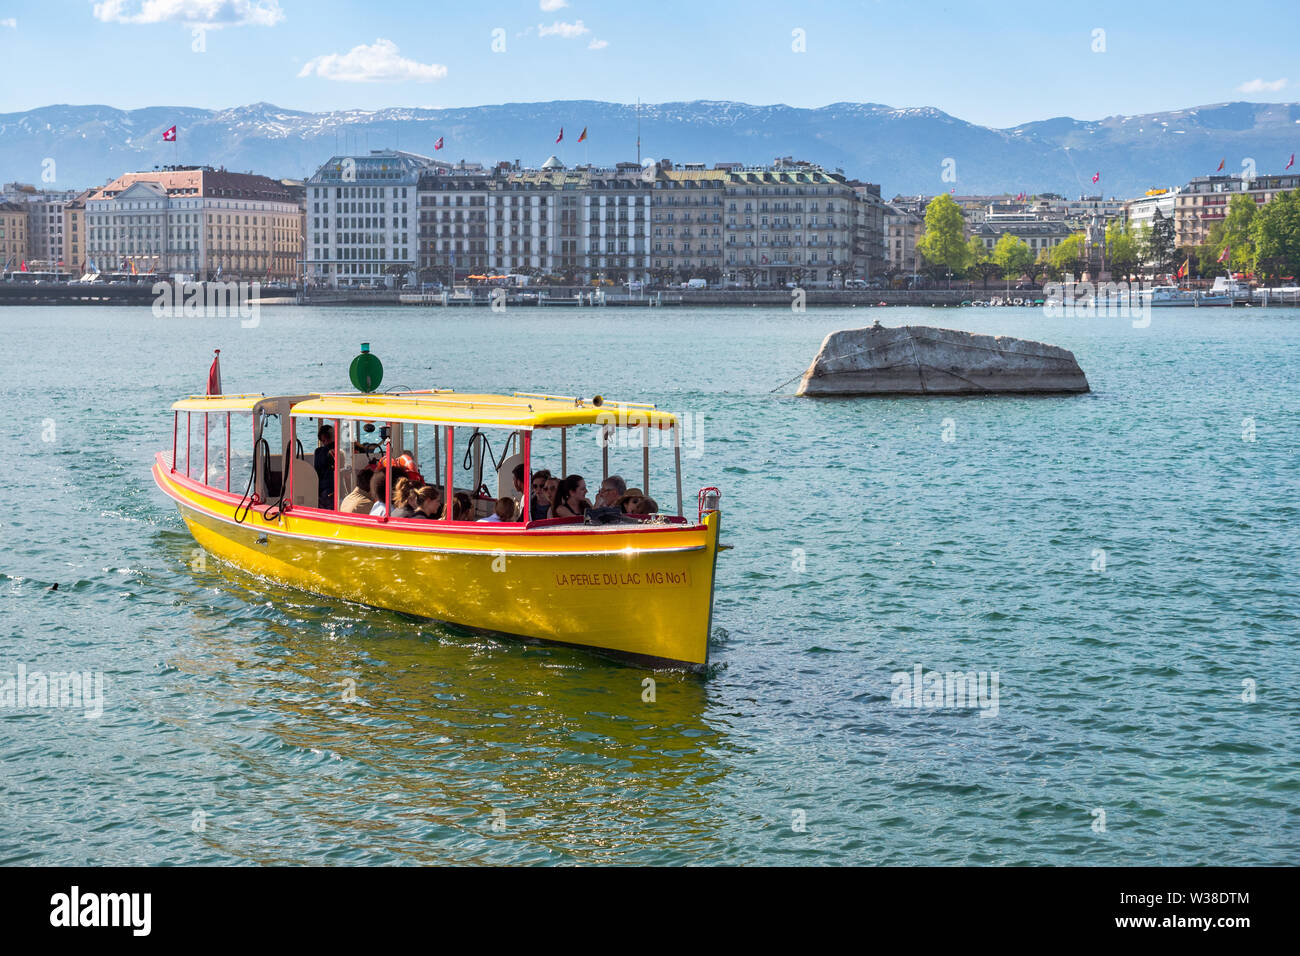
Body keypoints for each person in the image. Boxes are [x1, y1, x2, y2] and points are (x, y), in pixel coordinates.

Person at [313, 424, 336, 510]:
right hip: (333, 489)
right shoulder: (335, 450)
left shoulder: (318, 452)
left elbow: (317, 472)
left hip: (322, 490)